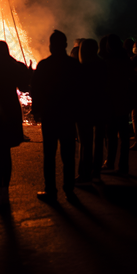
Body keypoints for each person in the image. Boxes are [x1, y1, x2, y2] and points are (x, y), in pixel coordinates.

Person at [32, 30, 81, 204]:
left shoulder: (44, 65)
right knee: (68, 155)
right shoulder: (74, 65)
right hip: (68, 116)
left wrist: (37, 111)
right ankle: (69, 190)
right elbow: (80, 91)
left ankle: (51, 191)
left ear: (52, 45)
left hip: (51, 116)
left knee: (49, 155)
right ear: (66, 45)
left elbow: (36, 90)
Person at [0, 41, 30, 206]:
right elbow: (25, 87)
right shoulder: (13, 68)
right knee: (6, 152)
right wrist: (19, 65)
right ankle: (5, 191)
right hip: (10, 111)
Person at [76, 39, 108, 182]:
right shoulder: (103, 65)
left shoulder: (82, 68)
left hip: (85, 109)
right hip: (101, 107)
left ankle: (84, 173)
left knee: (86, 142)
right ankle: (96, 171)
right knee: (98, 141)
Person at [102, 34, 134, 175]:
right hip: (123, 100)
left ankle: (109, 163)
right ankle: (123, 166)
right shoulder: (126, 60)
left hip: (111, 102)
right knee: (124, 136)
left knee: (111, 134)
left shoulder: (107, 62)